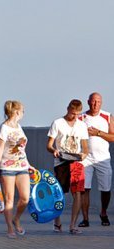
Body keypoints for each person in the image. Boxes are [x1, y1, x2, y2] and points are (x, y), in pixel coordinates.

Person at [47, 100, 89, 234]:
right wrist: (53, 150)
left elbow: (85, 147)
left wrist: (84, 154)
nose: (74, 117)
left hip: (77, 162)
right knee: (59, 193)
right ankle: (57, 222)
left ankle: (73, 225)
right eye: (72, 114)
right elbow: (49, 145)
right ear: (67, 109)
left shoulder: (82, 125)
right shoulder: (57, 123)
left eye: (77, 114)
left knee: (77, 192)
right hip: (61, 162)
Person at [0, 101, 30, 238]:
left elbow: (21, 149)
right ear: (16, 112)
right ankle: (10, 228)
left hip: (21, 166)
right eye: (22, 111)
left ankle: (16, 218)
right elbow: (0, 149)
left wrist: (28, 164)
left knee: (25, 197)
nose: (23, 114)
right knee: (9, 200)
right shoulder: (3, 128)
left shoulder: (18, 127)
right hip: (7, 167)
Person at [79, 92, 114, 227]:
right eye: (93, 101)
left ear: (101, 103)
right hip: (86, 159)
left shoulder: (107, 116)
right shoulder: (81, 118)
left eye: (98, 102)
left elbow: (113, 137)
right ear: (88, 102)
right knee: (84, 189)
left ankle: (103, 213)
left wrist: (98, 133)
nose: (95, 104)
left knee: (105, 189)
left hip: (103, 158)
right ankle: (85, 218)